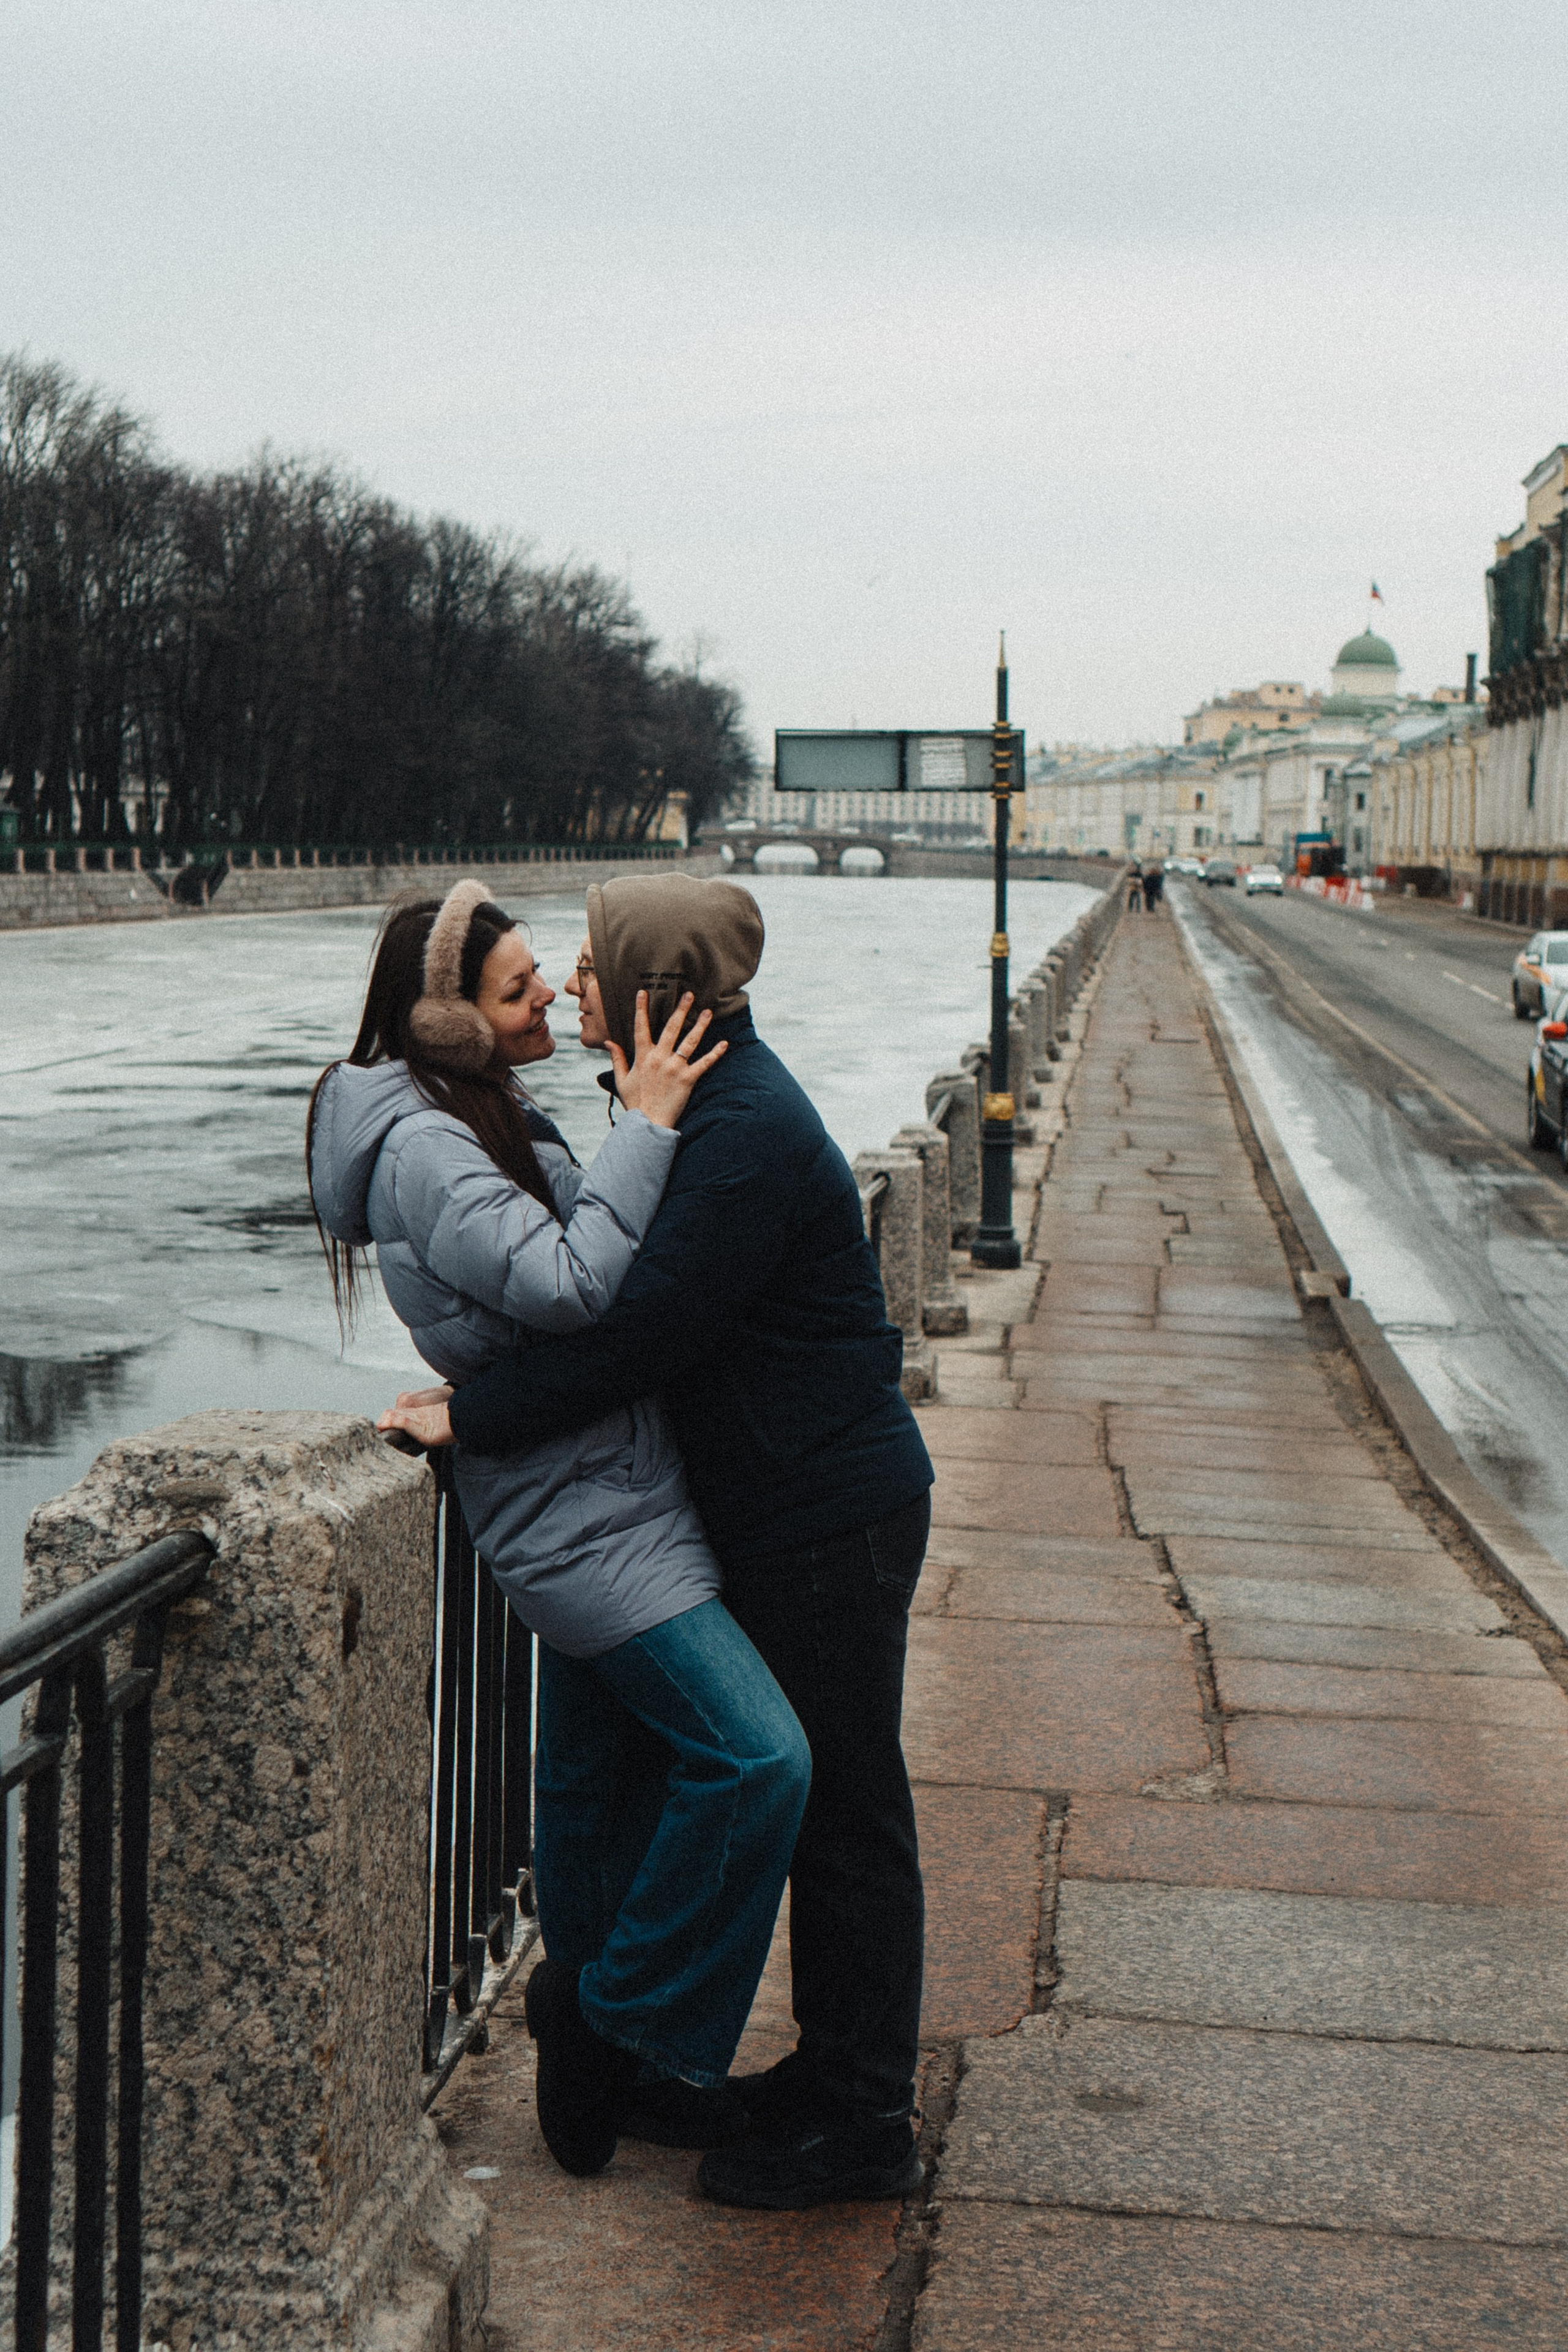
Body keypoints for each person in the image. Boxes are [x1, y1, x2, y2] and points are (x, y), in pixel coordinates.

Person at [382, 871, 935, 2212]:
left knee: (843, 1815)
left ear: (652, 988)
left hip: (824, 1510)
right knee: (794, 1799)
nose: (571, 982)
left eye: (588, 962)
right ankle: (817, 2075)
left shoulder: (739, 1128)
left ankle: (858, 2117)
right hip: (783, 1501)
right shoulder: (701, 1101)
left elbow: (643, 1332)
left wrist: (472, 1415)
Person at [307, 880, 810, 2182]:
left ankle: (620, 2076)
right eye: (516, 987)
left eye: (546, 973)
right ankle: (610, 2023)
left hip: (608, 1485)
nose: (547, 997)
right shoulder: (425, 1146)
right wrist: (645, 1123)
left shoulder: (488, 1109)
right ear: (446, 1021)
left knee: (590, 1797)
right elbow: (576, 1283)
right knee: (759, 1761)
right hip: (572, 1513)